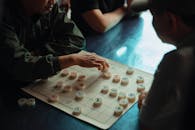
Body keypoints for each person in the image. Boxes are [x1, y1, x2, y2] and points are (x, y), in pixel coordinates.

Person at [0, 0, 109, 88]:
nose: (53, 2)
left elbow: (76, 39)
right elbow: (21, 67)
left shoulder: (48, 7)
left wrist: (36, 55)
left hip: (35, 82)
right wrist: (71, 59)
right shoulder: (3, 16)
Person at [138, 0, 195, 130]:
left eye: (153, 16)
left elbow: (147, 122)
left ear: (171, 20)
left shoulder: (178, 59)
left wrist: (146, 102)